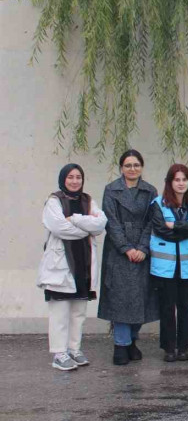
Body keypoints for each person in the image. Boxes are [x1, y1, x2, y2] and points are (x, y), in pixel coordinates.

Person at [38, 164, 107, 370]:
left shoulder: (87, 200)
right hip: (60, 264)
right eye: (70, 177)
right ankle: (59, 353)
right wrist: (86, 229)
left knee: (78, 311)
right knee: (60, 312)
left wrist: (76, 219)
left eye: (78, 177)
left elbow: (101, 224)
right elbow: (59, 227)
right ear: (63, 179)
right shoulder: (54, 201)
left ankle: (74, 349)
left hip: (83, 264)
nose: (75, 181)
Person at [98, 149, 159, 366]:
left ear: (141, 167)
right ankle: (120, 344)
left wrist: (142, 247)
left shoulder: (150, 191)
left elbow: (154, 222)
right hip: (118, 251)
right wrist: (126, 248)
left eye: (136, 165)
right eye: (128, 165)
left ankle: (132, 340)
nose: (132, 169)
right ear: (121, 168)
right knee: (121, 299)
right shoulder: (111, 190)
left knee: (141, 298)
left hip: (143, 251)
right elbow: (110, 221)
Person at [149, 164, 188, 362]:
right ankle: (168, 348)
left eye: (184, 179)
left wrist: (174, 225)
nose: (181, 183)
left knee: (186, 307)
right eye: (177, 180)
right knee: (167, 307)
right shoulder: (158, 203)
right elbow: (160, 230)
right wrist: (185, 229)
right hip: (165, 266)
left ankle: (184, 347)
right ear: (170, 182)